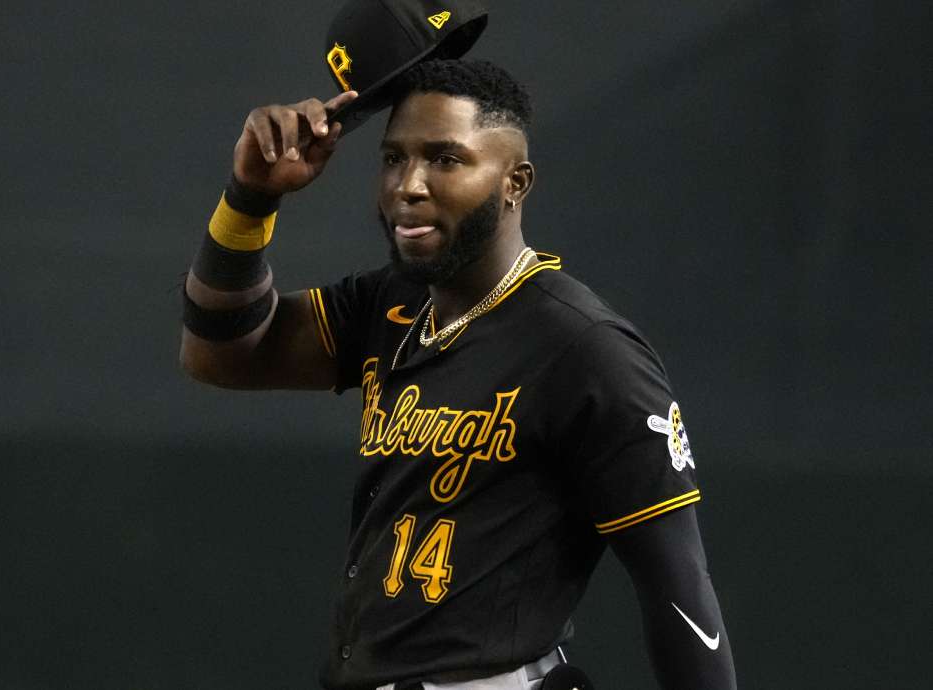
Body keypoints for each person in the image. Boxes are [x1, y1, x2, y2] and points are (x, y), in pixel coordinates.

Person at [179, 58, 737, 690]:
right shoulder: (390, 305)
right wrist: (251, 196)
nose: (408, 186)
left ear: (514, 183)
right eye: (393, 159)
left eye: (445, 160)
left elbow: (680, 592)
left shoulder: (588, 350)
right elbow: (221, 352)